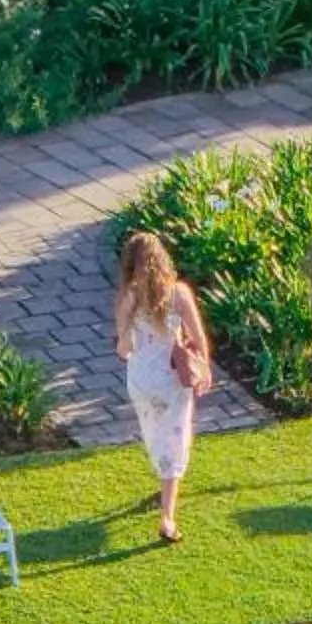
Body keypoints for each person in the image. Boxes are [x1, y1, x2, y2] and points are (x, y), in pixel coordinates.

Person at [114, 231, 211, 543]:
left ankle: (164, 484)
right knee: (175, 439)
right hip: (171, 381)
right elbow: (197, 336)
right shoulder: (178, 293)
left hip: (141, 380)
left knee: (156, 435)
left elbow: (123, 349)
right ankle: (167, 517)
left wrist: (135, 335)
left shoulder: (129, 297)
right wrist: (204, 366)